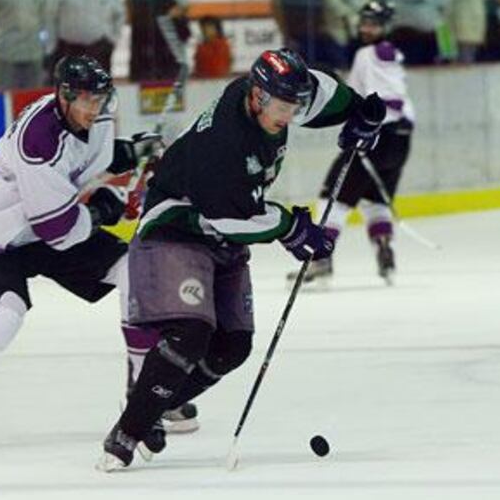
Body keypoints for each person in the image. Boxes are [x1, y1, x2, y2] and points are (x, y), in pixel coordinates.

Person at [96, 48, 386, 471]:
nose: (289, 115)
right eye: (283, 107)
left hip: (222, 228)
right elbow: (230, 219)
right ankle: (127, 431)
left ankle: (152, 408)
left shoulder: (272, 101)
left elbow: (320, 91)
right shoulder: (225, 143)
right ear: (256, 96)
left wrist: (359, 112)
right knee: (190, 333)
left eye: (294, 106)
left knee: (233, 346)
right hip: (177, 225)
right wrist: (292, 229)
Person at [0, 55, 193, 451]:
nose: (92, 108)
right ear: (62, 96)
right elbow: (59, 232)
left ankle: (146, 397)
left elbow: (85, 157)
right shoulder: (38, 139)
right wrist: (106, 207)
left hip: (49, 219)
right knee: (0, 319)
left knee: (137, 269)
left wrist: (132, 151)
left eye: (97, 99)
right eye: (83, 100)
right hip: (3, 232)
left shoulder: (94, 112)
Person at [293, 0, 414, 286]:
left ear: (386, 26)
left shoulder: (367, 53)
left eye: (373, 23)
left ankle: (320, 259)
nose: (366, 28)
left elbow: (391, 101)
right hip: (401, 140)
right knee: (375, 200)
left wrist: (365, 127)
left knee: (332, 199)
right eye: (364, 22)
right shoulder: (392, 53)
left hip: (376, 136)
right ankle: (385, 250)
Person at [44, 0, 124, 76]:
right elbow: (51, 15)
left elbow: (119, 15)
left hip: (99, 51)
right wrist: (51, 46)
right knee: (71, 90)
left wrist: (113, 39)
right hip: (70, 52)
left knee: (99, 91)